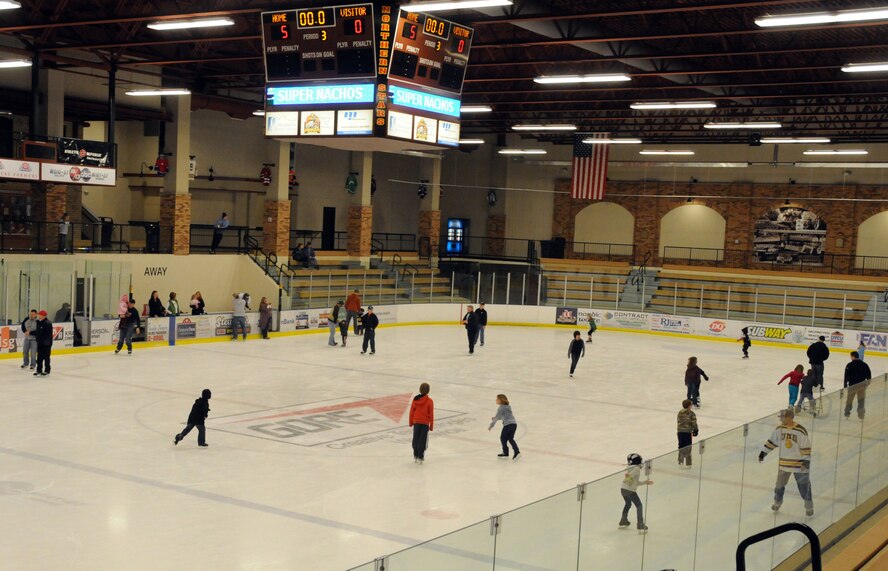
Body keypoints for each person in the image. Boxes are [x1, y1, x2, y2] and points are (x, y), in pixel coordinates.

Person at [759, 408, 813, 516]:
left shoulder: (800, 430)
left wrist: (806, 461)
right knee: (779, 486)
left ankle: (809, 506)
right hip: (784, 464)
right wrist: (763, 453)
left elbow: (806, 446)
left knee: (804, 486)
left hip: (799, 465)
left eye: (783, 417)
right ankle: (777, 502)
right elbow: (772, 442)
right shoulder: (779, 429)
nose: (781, 419)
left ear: (790, 417)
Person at [619, 453, 652, 533]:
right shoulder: (636, 468)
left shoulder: (630, 468)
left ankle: (623, 520)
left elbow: (635, 482)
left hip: (623, 489)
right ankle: (640, 525)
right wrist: (628, 478)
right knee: (639, 506)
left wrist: (645, 482)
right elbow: (630, 477)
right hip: (630, 491)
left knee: (628, 504)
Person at [488, 394, 520, 460]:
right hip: (514, 424)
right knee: (510, 438)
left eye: (497, 399)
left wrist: (491, 425)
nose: (496, 400)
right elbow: (505, 416)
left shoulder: (500, 408)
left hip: (508, 425)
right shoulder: (507, 406)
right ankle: (516, 452)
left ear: (500, 400)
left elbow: (497, 418)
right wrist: (496, 417)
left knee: (503, 438)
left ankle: (506, 453)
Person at [408, 382, 434, 464]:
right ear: (428, 391)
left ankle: (415, 454)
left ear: (419, 390)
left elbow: (411, 411)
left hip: (416, 421)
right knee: (422, 439)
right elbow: (431, 414)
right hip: (425, 423)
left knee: (416, 438)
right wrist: (431, 426)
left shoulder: (415, 399)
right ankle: (420, 456)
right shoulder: (430, 401)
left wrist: (410, 422)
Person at [844, 351, 872, 420]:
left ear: (853, 356)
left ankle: (847, 414)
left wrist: (845, 386)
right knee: (861, 401)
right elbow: (869, 377)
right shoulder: (864, 365)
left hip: (852, 386)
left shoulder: (849, 365)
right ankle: (861, 415)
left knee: (849, 401)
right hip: (862, 386)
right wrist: (866, 385)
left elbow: (846, 377)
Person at [677, 400, 699, 469]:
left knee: (681, 446)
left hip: (680, 432)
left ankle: (680, 461)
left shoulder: (680, 412)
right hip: (687, 432)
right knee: (688, 447)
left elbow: (678, 421)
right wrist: (696, 430)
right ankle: (688, 463)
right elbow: (694, 423)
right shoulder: (692, 413)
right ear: (689, 406)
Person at [33, 310, 53, 377]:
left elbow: (47, 335)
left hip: (46, 344)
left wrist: (44, 342)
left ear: (43, 316)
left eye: (39, 315)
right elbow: (37, 332)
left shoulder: (48, 323)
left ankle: (47, 370)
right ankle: (39, 370)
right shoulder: (39, 322)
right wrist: (30, 333)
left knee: (46, 357)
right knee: (39, 357)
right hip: (40, 343)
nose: (38, 316)